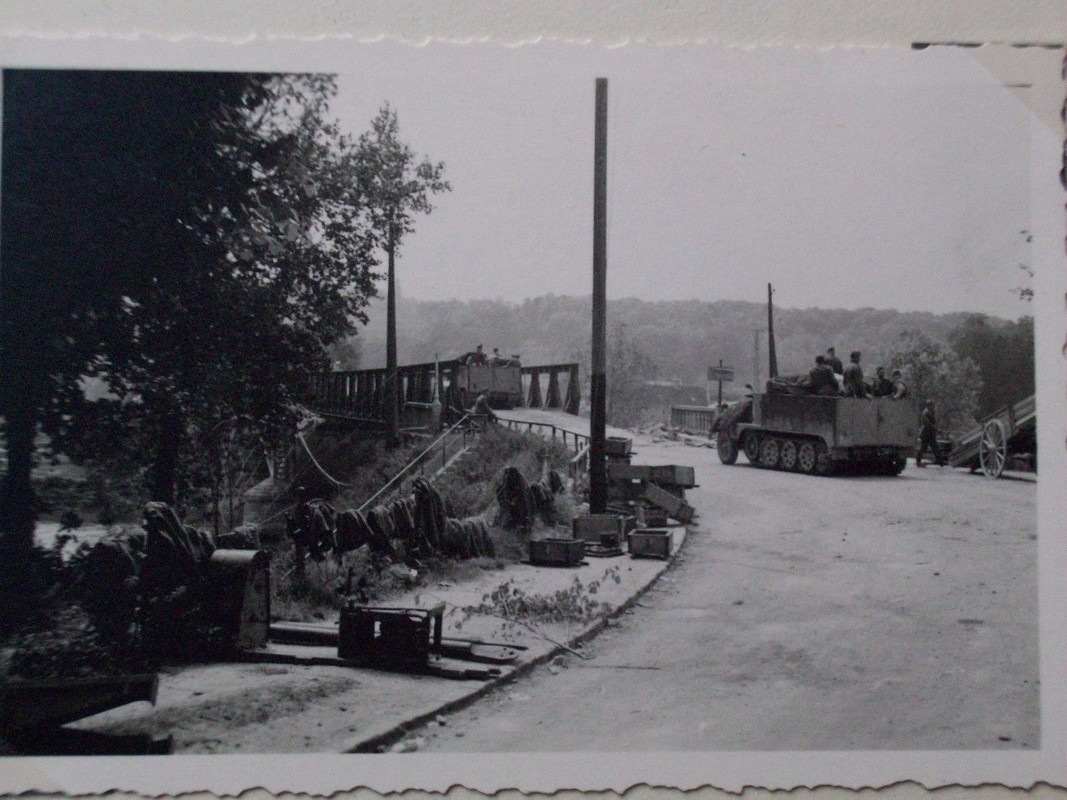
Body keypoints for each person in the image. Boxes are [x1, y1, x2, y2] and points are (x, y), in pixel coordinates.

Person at [916, 400, 944, 467]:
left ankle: (940, 461)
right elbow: (928, 423)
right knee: (923, 447)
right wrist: (936, 429)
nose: (933, 407)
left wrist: (936, 429)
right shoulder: (925, 413)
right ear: (928, 406)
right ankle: (918, 461)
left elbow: (933, 423)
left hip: (931, 433)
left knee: (935, 447)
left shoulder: (932, 413)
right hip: (926, 433)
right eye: (932, 405)